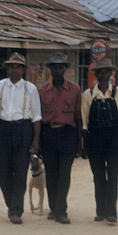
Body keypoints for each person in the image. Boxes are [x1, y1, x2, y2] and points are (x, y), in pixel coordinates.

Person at [0, 52, 42, 224]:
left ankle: (16, 210)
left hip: (23, 130)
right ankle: (11, 205)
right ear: (7, 69)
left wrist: (35, 141)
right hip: (3, 130)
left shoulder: (31, 89)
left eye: (18, 67)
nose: (14, 70)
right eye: (12, 66)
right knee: (3, 172)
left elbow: (36, 117)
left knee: (20, 172)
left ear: (23, 70)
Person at [81, 58, 118, 224]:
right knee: (98, 176)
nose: (103, 75)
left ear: (111, 74)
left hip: (114, 137)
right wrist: (85, 145)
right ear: (95, 74)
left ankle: (112, 212)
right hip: (94, 138)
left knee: (113, 174)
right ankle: (100, 211)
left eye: (106, 72)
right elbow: (85, 122)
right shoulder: (87, 95)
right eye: (100, 72)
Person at [38, 52, 82, 224]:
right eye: (54, 67)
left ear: (65, 69)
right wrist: (39, 142)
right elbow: (39, 117)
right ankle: (53, 208)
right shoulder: (41, 90)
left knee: (65, 173)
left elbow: (78, 116)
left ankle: (61, 211)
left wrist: (79, 142)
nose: (57, 70)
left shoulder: (75, 89)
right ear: (50, 70)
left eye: (60, 67)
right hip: (48, 134)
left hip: (67, 134)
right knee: (51, 173)